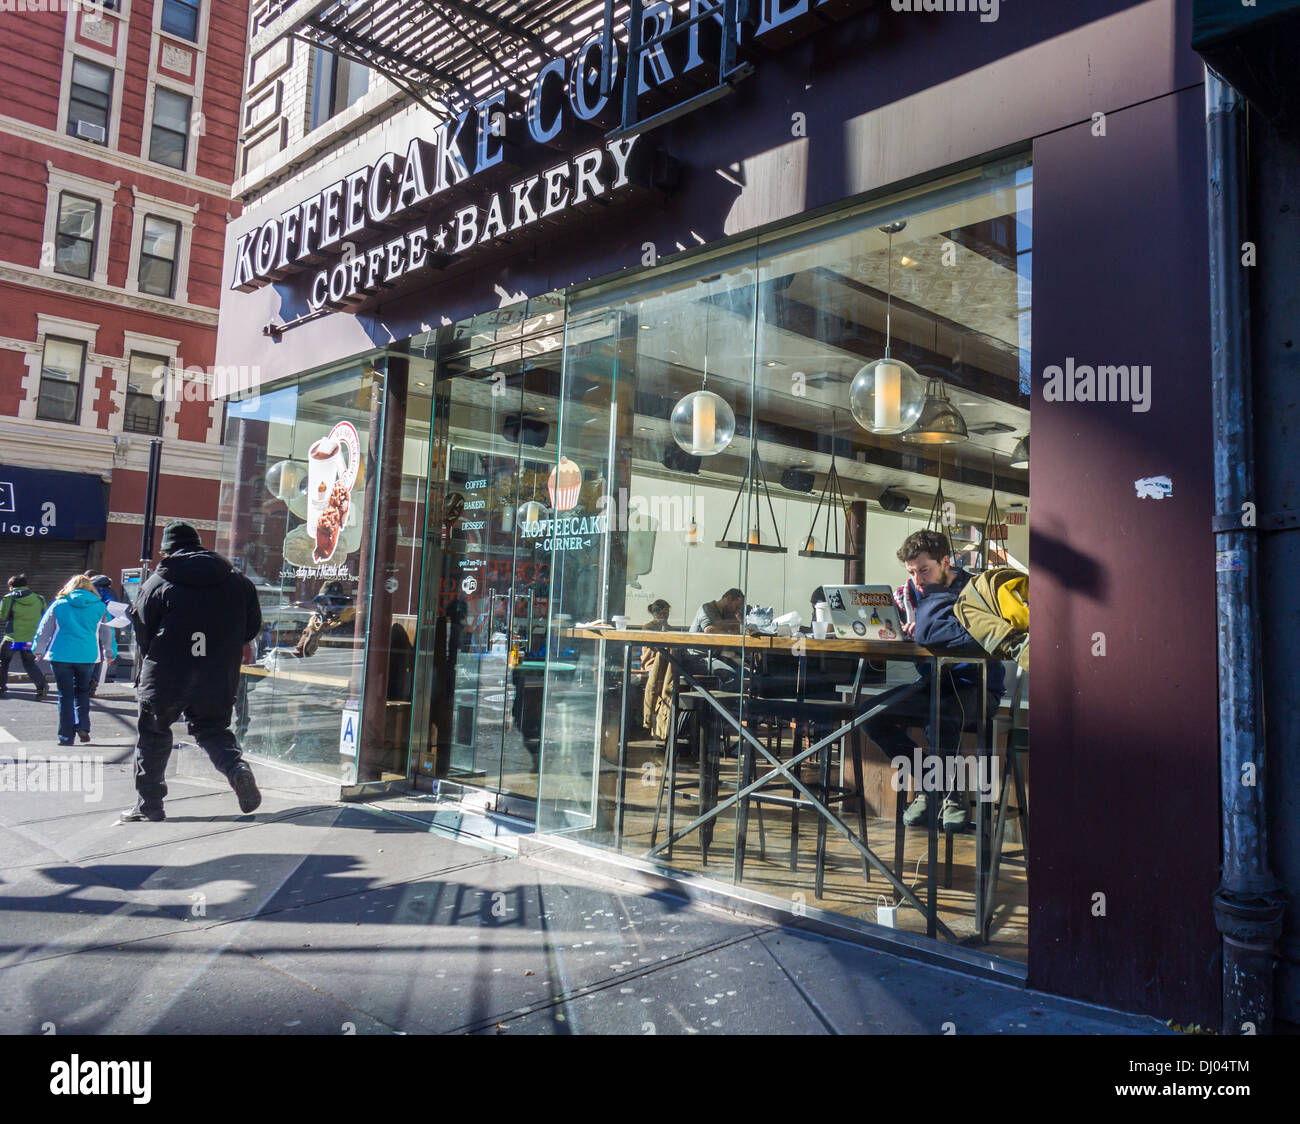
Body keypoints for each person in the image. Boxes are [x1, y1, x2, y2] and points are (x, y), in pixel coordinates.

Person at [863, 530, 1005, 831]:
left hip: (978, 687)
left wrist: (929, 631)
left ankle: (947, 796)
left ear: (945, 562)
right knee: (870, 716)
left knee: (939, 716)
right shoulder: (908, 595)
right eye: (912, 571)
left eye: (924, 570)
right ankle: (934, 784)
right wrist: (897, 632)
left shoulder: (976, 591)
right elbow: (905, 631)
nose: (918, 579)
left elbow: (982, 637)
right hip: (934, 684)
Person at [123, 520, 263, 823]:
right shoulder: (239, 582)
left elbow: (142, 632)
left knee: (154, 734)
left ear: (167, 551)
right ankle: (237, 769)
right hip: (216, 673)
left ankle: (149, 805)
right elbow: (250, 629)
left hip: (166, 674)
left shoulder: (157, 583)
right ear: (200, 545)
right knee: (213, 730)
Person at [32, 575, 107, 745]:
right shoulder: (100, 606)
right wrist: (110, 652)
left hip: (61, 655)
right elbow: (107, 632)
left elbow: (44, 630)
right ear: (90, 588)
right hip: (87, 656)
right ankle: (83, 726)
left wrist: (37, 650)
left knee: (65, 695)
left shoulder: (59, 604)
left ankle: (66, 736)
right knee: (82, 692)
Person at [0, 574, 49, 700]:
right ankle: (41, 686)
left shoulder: (8, 598)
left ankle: (1, 688)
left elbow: (3, 615)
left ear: (11, 586)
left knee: (3, 662)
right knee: (29, 663)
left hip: (12, 638)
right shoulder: (39, 598)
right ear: (26, 585)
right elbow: (44, 616)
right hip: (30, 639)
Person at [86, 574, 119, 695]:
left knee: (90, 654)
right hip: (108, 624)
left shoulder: (91, 591)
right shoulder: (111, 592)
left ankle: (88, 681)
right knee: (99, 656)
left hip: (91, 627)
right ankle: (93, 681)